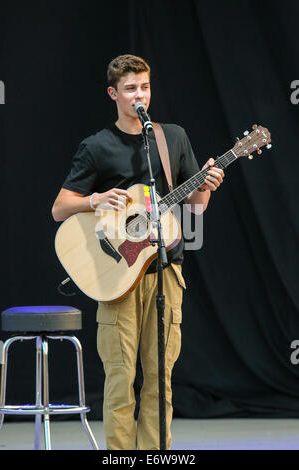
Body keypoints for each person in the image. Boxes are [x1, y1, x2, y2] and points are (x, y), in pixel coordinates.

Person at [52, 54, 224, 450]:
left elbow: (195, 206)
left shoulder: (172, 138)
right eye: (130, 89)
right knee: (120, 378)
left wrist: (208, 184)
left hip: (166, 270)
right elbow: (60, 207)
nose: (139, 95)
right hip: (117, 280)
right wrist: (94, 199)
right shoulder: (97, 146)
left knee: (160, 379)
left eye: (144, 87)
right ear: (113, 94)